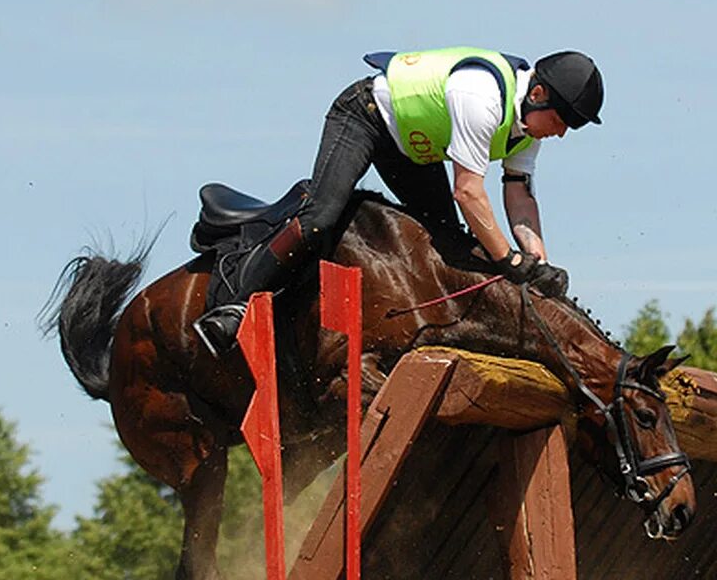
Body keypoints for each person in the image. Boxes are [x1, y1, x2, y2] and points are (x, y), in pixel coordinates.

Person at [194, 46, 604, 355]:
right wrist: (508, 261)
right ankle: (232, 305)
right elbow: (468, 192)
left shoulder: (527, 126)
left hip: (411, 147)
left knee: (450, 243)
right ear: (537, 93)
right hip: (365, 115)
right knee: (321, 217)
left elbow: (520, 194)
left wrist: (538, 259)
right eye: (562, 121)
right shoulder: (483, 98)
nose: (563, 133)